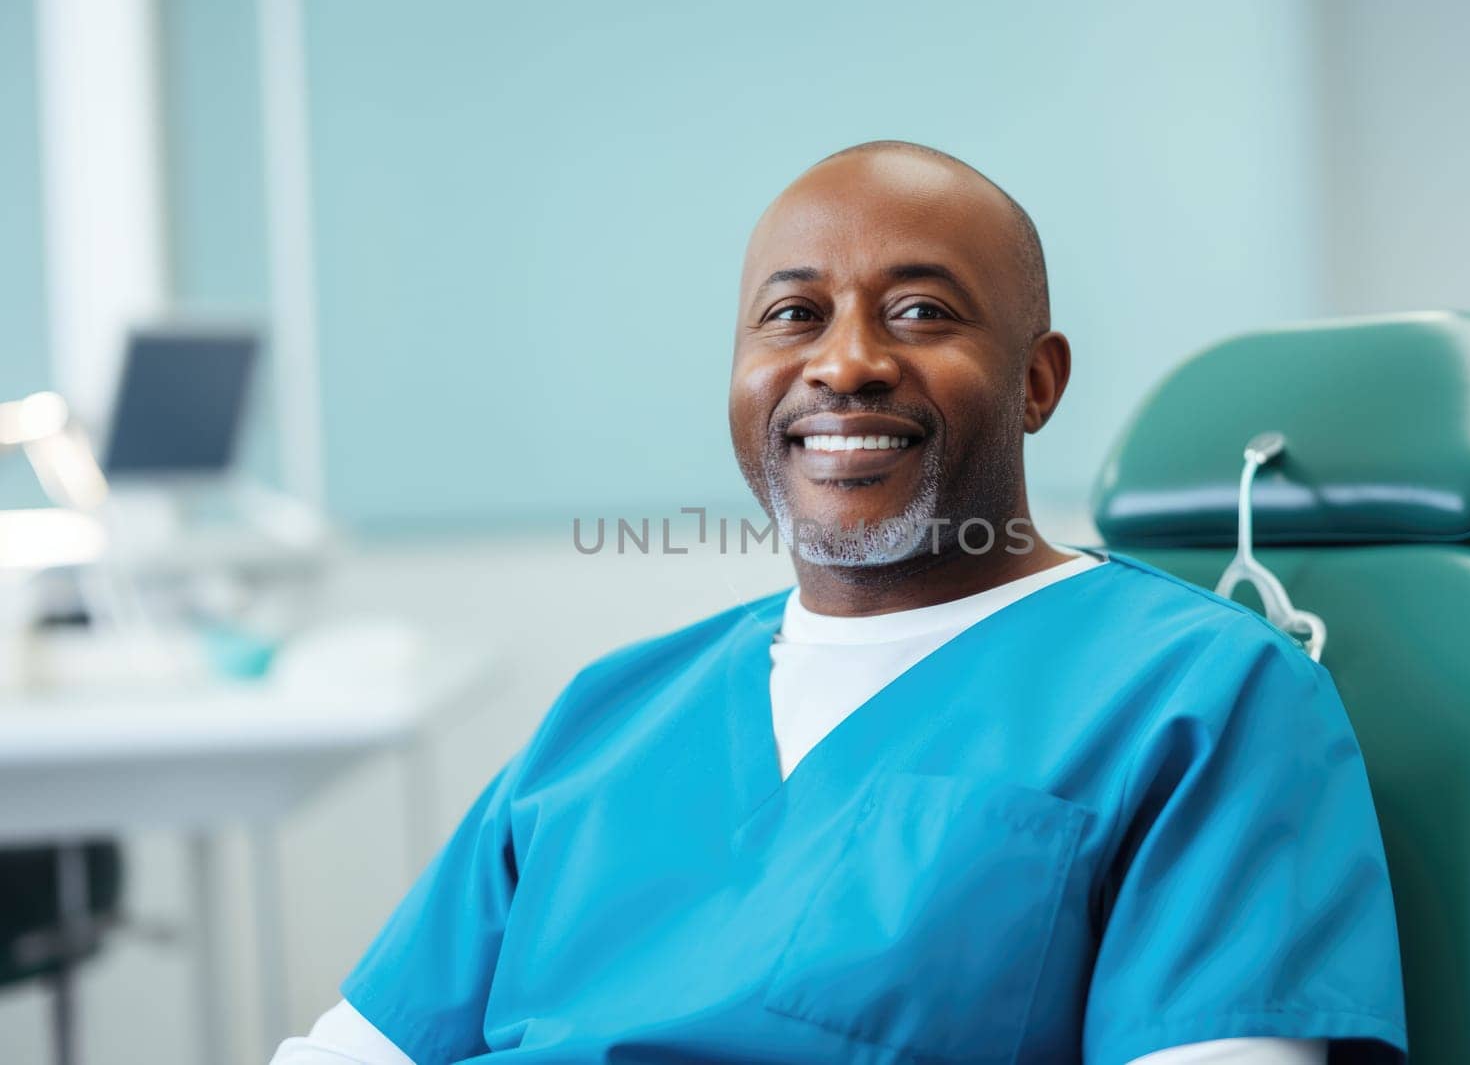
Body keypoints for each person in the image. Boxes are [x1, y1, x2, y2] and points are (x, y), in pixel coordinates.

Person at [273, 141, 1406, 1064]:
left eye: (918, 311)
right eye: (792, 315)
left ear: (1036, 380)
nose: (845, 363)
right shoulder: (611, 713)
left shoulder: (1200, 694)